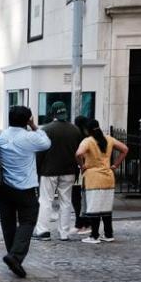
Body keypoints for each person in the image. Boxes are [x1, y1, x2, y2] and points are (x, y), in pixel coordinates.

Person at [0, 106, 51, 278]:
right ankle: (15, 256)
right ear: (27, 120)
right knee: (27, 221)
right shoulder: (30, 137)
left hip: (3, 187)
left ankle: (13, 255)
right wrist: (34, 126)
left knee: (8, 223)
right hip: (25, 188)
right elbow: (47, 143)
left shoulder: (0, 135)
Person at [33, 102, 84, 241]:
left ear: (53, 113)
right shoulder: (75, 130)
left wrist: (37, 170)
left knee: (45, 200)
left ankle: (43, 230)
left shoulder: (46, 129)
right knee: (66, 201)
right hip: (69, 170)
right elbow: (79, 152)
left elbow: (40, 153)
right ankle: (64, 233)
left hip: (48, 170)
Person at [76, 120, 128, 243]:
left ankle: (94, 235)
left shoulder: (88, 141)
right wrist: (115, 165)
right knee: (106, 206)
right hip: (108, 176)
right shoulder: (109, 139)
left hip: (93, 177)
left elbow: (78, 154)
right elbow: (125, 149)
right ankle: (109, 234)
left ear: (86, 130)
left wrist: (82, 166)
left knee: (94, 207)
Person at [70, 116, 91, 236]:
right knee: (82, 198)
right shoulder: (86, 137)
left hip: (80, 170)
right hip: (84, 170)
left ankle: (82, 222)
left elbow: (77, 154)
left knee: (77, 198)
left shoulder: (79, 137)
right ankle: (83, 222)